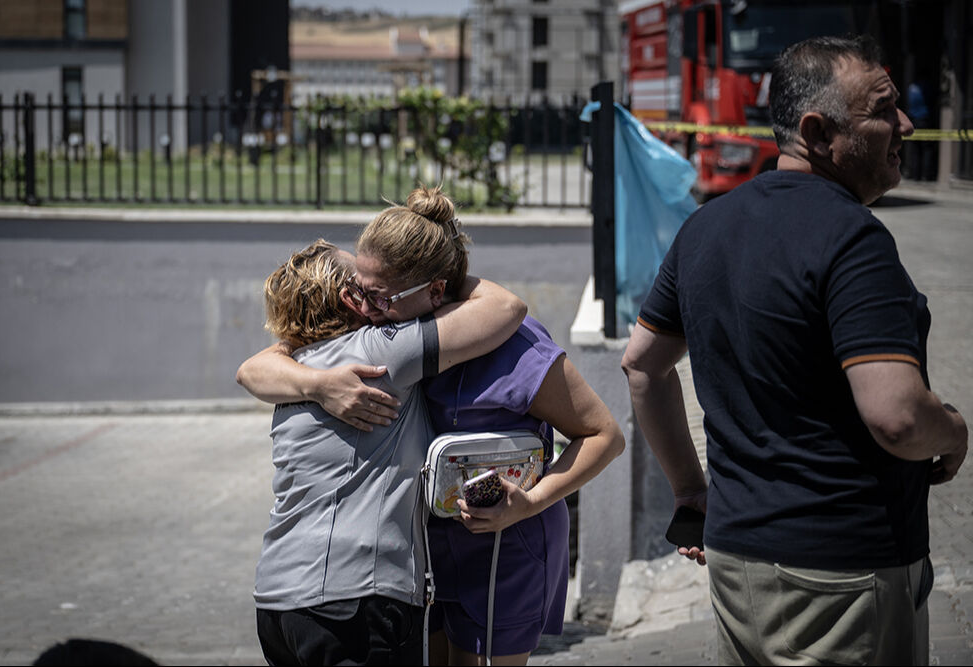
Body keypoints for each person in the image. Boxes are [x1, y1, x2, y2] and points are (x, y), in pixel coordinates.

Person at [620, 34, 968, 666]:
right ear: (818, 130)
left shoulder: (705, 227)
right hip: (843, 581)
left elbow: (641, 365)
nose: (908, 126)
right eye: (883, 110)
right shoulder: (854, 241)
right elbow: (897, 416)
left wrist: (690, 491)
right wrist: (952, 430)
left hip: (735, 569)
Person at [238, 185, 625, 666]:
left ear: (437, 291)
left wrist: (532, 503)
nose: (364, 307)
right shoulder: (385, 345)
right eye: (358, 290)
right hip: (424, 562)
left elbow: (604, 435)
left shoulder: (508, 346)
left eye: (377, 296)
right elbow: (259, 364)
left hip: (504, 548)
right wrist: (316, 383)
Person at [247, 237, 529, 665]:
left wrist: (315, 385)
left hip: (276, 602)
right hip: (354, 600)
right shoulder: (379, 353)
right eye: (366, 281)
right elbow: (506, 308)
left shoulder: (294, 369)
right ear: (350, 298)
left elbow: (249, 367)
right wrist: (433, 277)